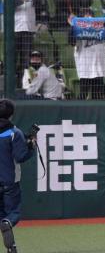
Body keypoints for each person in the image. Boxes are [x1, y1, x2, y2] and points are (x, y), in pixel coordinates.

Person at [0, 99, 36, 253]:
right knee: (12, 213)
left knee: (1, 216)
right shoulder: (15, 133)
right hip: (10, 182)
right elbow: (21, 156)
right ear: (11, 115)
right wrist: (31, 147)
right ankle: (9, 223)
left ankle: (11, 247)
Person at [69, 10, 105, 100]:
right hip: (86, 68)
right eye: (86, 17)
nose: (89, 20)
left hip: (98, 67)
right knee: (83, 93)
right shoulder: (78, 31)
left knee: (97, 95)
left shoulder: (100, 29)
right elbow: (71, 41)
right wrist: (73, 25)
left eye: (91, 17)